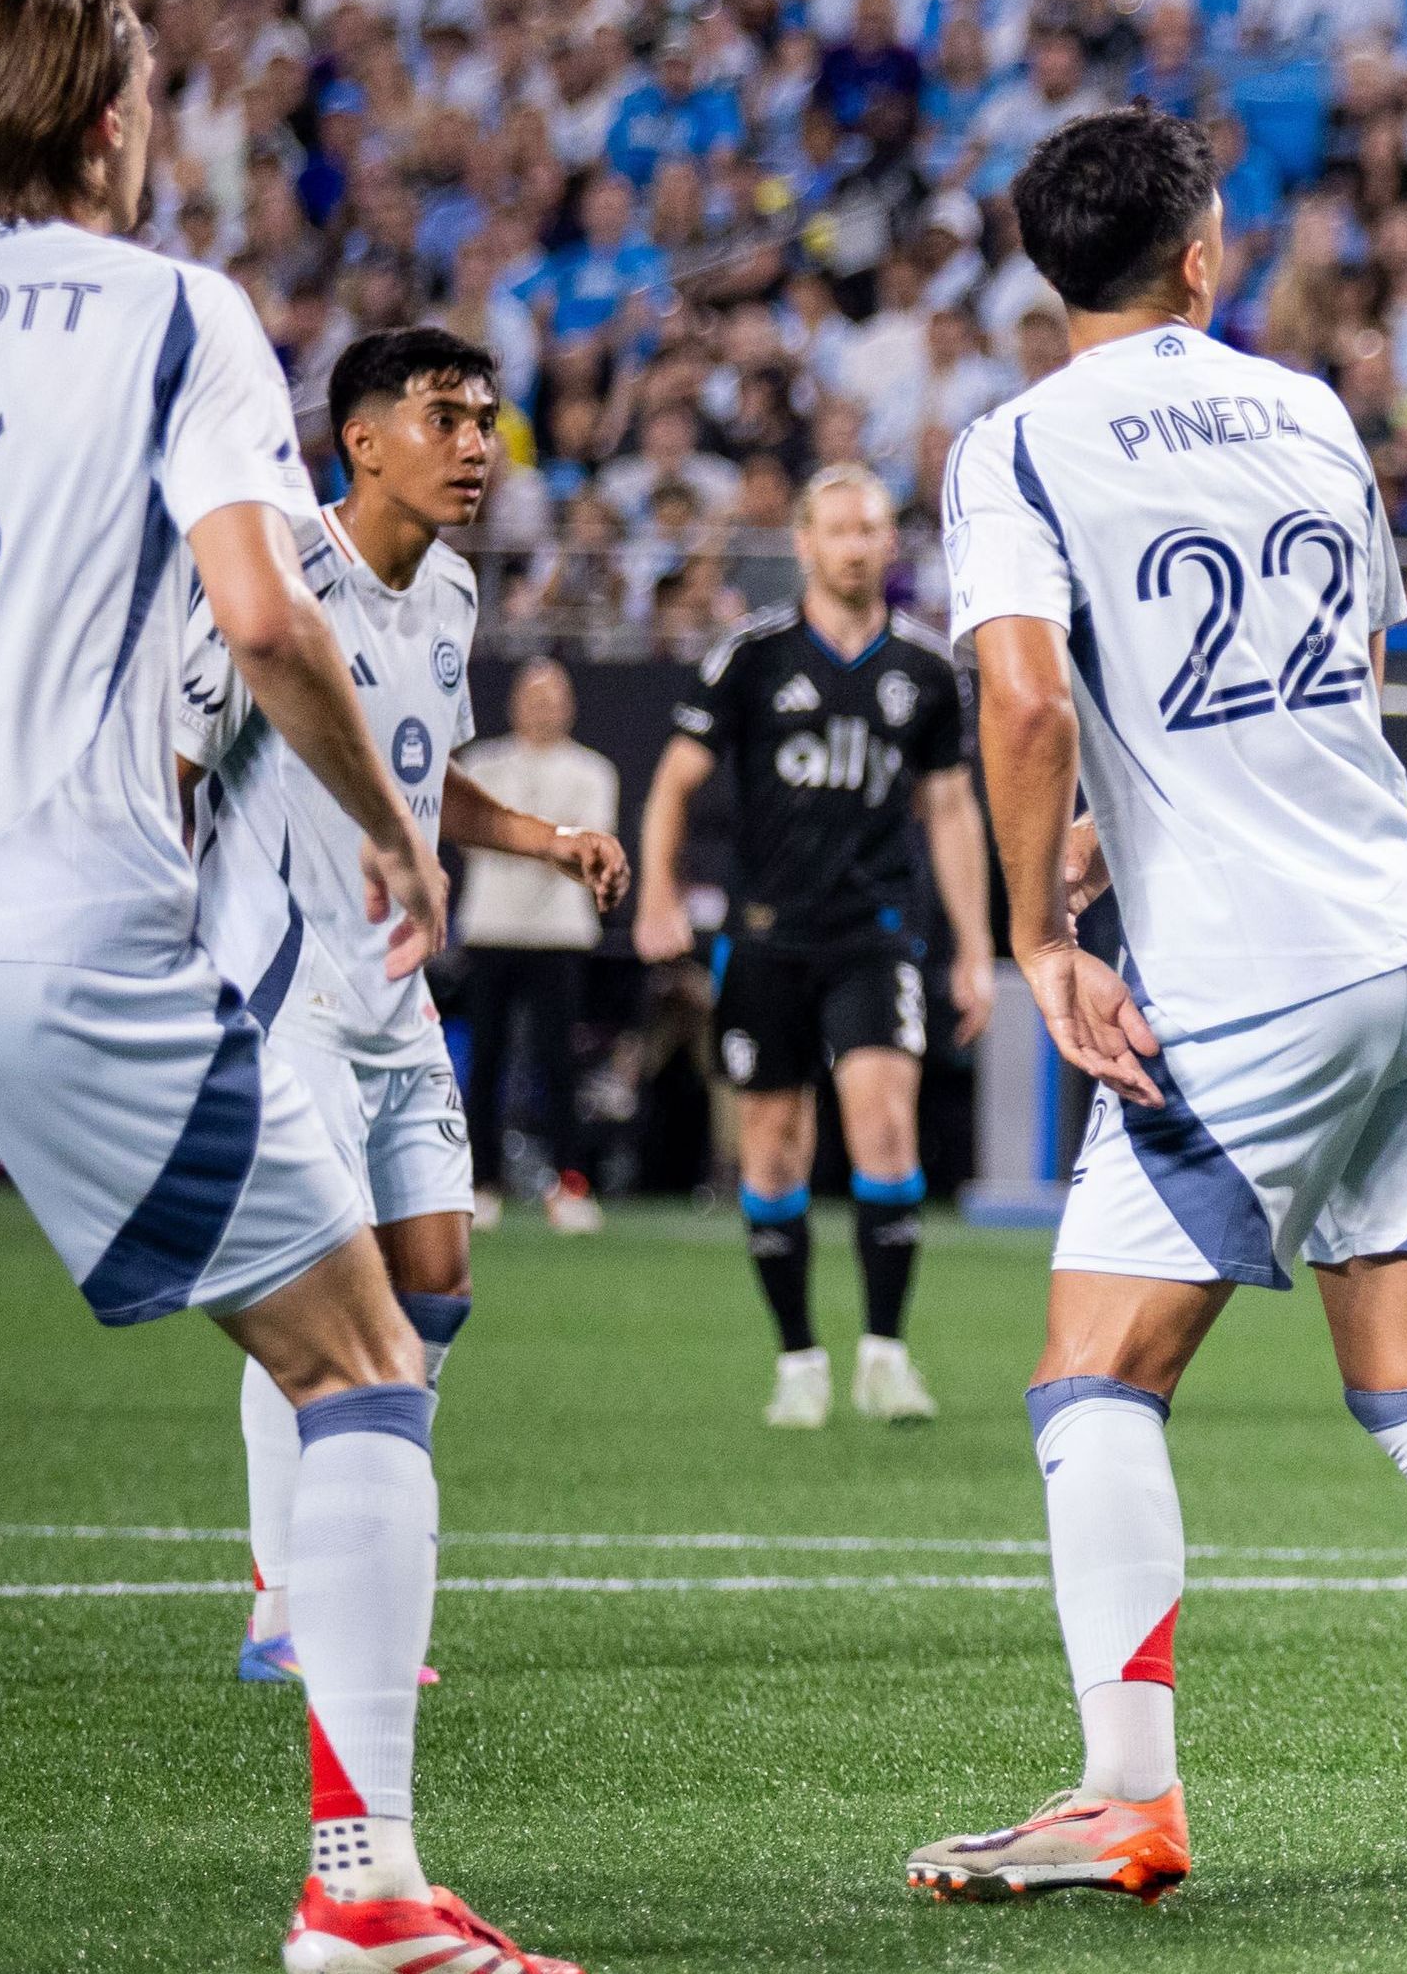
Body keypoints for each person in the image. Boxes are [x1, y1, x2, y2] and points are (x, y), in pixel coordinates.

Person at [919, 108, 1407, 1901]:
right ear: (1202, 254)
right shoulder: (1308, 411)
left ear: (1044, 268)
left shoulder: (1012, 447)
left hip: (1243, 971)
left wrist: (1042, 931)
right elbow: (1357, 660)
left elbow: (1029, 704)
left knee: (1092, 1374)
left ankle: (1121, 1789)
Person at [0, 0, 562, 1973]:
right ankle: (365, 1889)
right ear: (107, 115)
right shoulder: (172, 314)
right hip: (69, 929)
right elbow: (260, 611)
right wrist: (396, 828)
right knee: (361, 1365)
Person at [189, 327, 630, 1683]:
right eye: (444, 416)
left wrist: (548, 839)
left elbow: (423, 786)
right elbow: (178, 755)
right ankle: (286, 1603)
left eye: (486, 418)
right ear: (361, 436)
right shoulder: (270, 580)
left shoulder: (445, 589)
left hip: (392, 997)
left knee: (434, 1284)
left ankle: (357, 1553)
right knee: (316, 1291)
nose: (477, 444)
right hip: (282, 985)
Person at [636, 464, 992, 1429]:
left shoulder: (923, 669)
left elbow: (950, 808)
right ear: (802, 542)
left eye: (871, 528)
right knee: (771, 1143)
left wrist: (972, 945)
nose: (855, 544)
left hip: (876, 934)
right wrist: (657, 892)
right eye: (837, 527)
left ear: (890, 542)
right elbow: (673, 779)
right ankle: (798, 1357)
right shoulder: (750, 656)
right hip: (764, 936)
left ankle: (885, 1352)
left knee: (883, 1123)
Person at [454, 656, 622, 1230]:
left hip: (560, 936)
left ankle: (569, 1186)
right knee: (486, 1063)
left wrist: (522, 839)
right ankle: (480, 1183)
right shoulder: (480, 764)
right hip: (492, 928)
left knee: (559, 1065)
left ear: (569, 706)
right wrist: (544, 840)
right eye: (534, 696)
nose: (543, 707)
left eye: (554, 697)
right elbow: (474, 839)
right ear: (514, 703)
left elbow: (585, 848)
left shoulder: (593, 771)